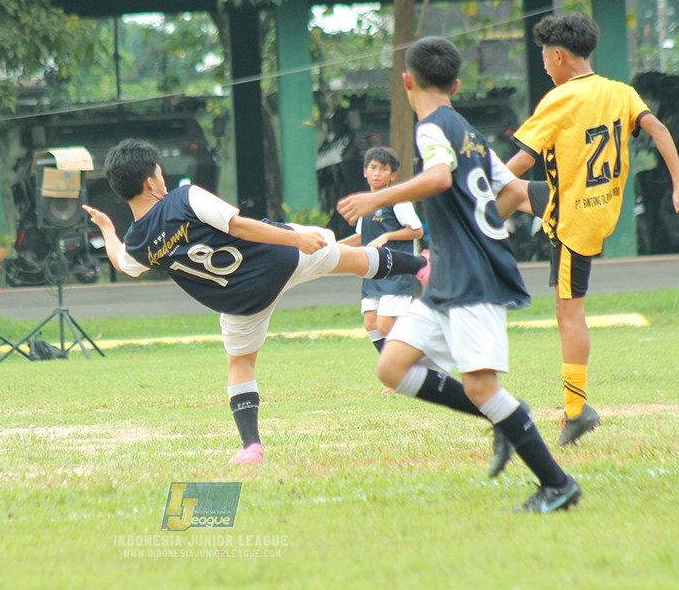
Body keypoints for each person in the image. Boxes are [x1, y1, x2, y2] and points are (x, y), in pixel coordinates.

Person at [337, 36, 581, 512]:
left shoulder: (431, 128)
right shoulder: (469, 131)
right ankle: (510, 419)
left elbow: (441, 178)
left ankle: (557, 483)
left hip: (470, 279)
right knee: (391, 366)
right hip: (448, 278)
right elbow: (508, 186)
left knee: (481, 386)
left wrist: (376, 198)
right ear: (457, 83)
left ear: (406, 81)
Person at [82, 138, 430, 466]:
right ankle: (422, 266)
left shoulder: (138, 243)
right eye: (159, 171)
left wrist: (107, 228)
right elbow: (240, 226)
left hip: (241, 301)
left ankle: (251, 445)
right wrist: (296, 238)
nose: (164, 178)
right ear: (150, 182)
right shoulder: (184, 197)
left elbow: (122, 263)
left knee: (240, 365)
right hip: (279, 259)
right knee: (353, 260)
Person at [500, 12, 679, 446]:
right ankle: (466, 242)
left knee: (569, 314)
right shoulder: (619, 91)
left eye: (544, 59)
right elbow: (658, 129)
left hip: (573, 221)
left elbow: (521, 159)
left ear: (557, 56)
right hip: (590, 205)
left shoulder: (558, 100)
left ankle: (576, 410)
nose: (545, 67)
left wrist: (475, 187)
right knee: (512, 194)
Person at [339, 146, 424, 354]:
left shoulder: (397, 200)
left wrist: (387, 235)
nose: (377, 173)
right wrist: (334, 246)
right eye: (373, 168)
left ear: (393, 175)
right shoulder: (365, 204)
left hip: (396, 271)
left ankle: (418, 363)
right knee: (371, 323)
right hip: (373, 272)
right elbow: (360, 236)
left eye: (383, 169)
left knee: (386, 325)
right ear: (365, 171)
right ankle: (394, 371)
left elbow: (417, 231)